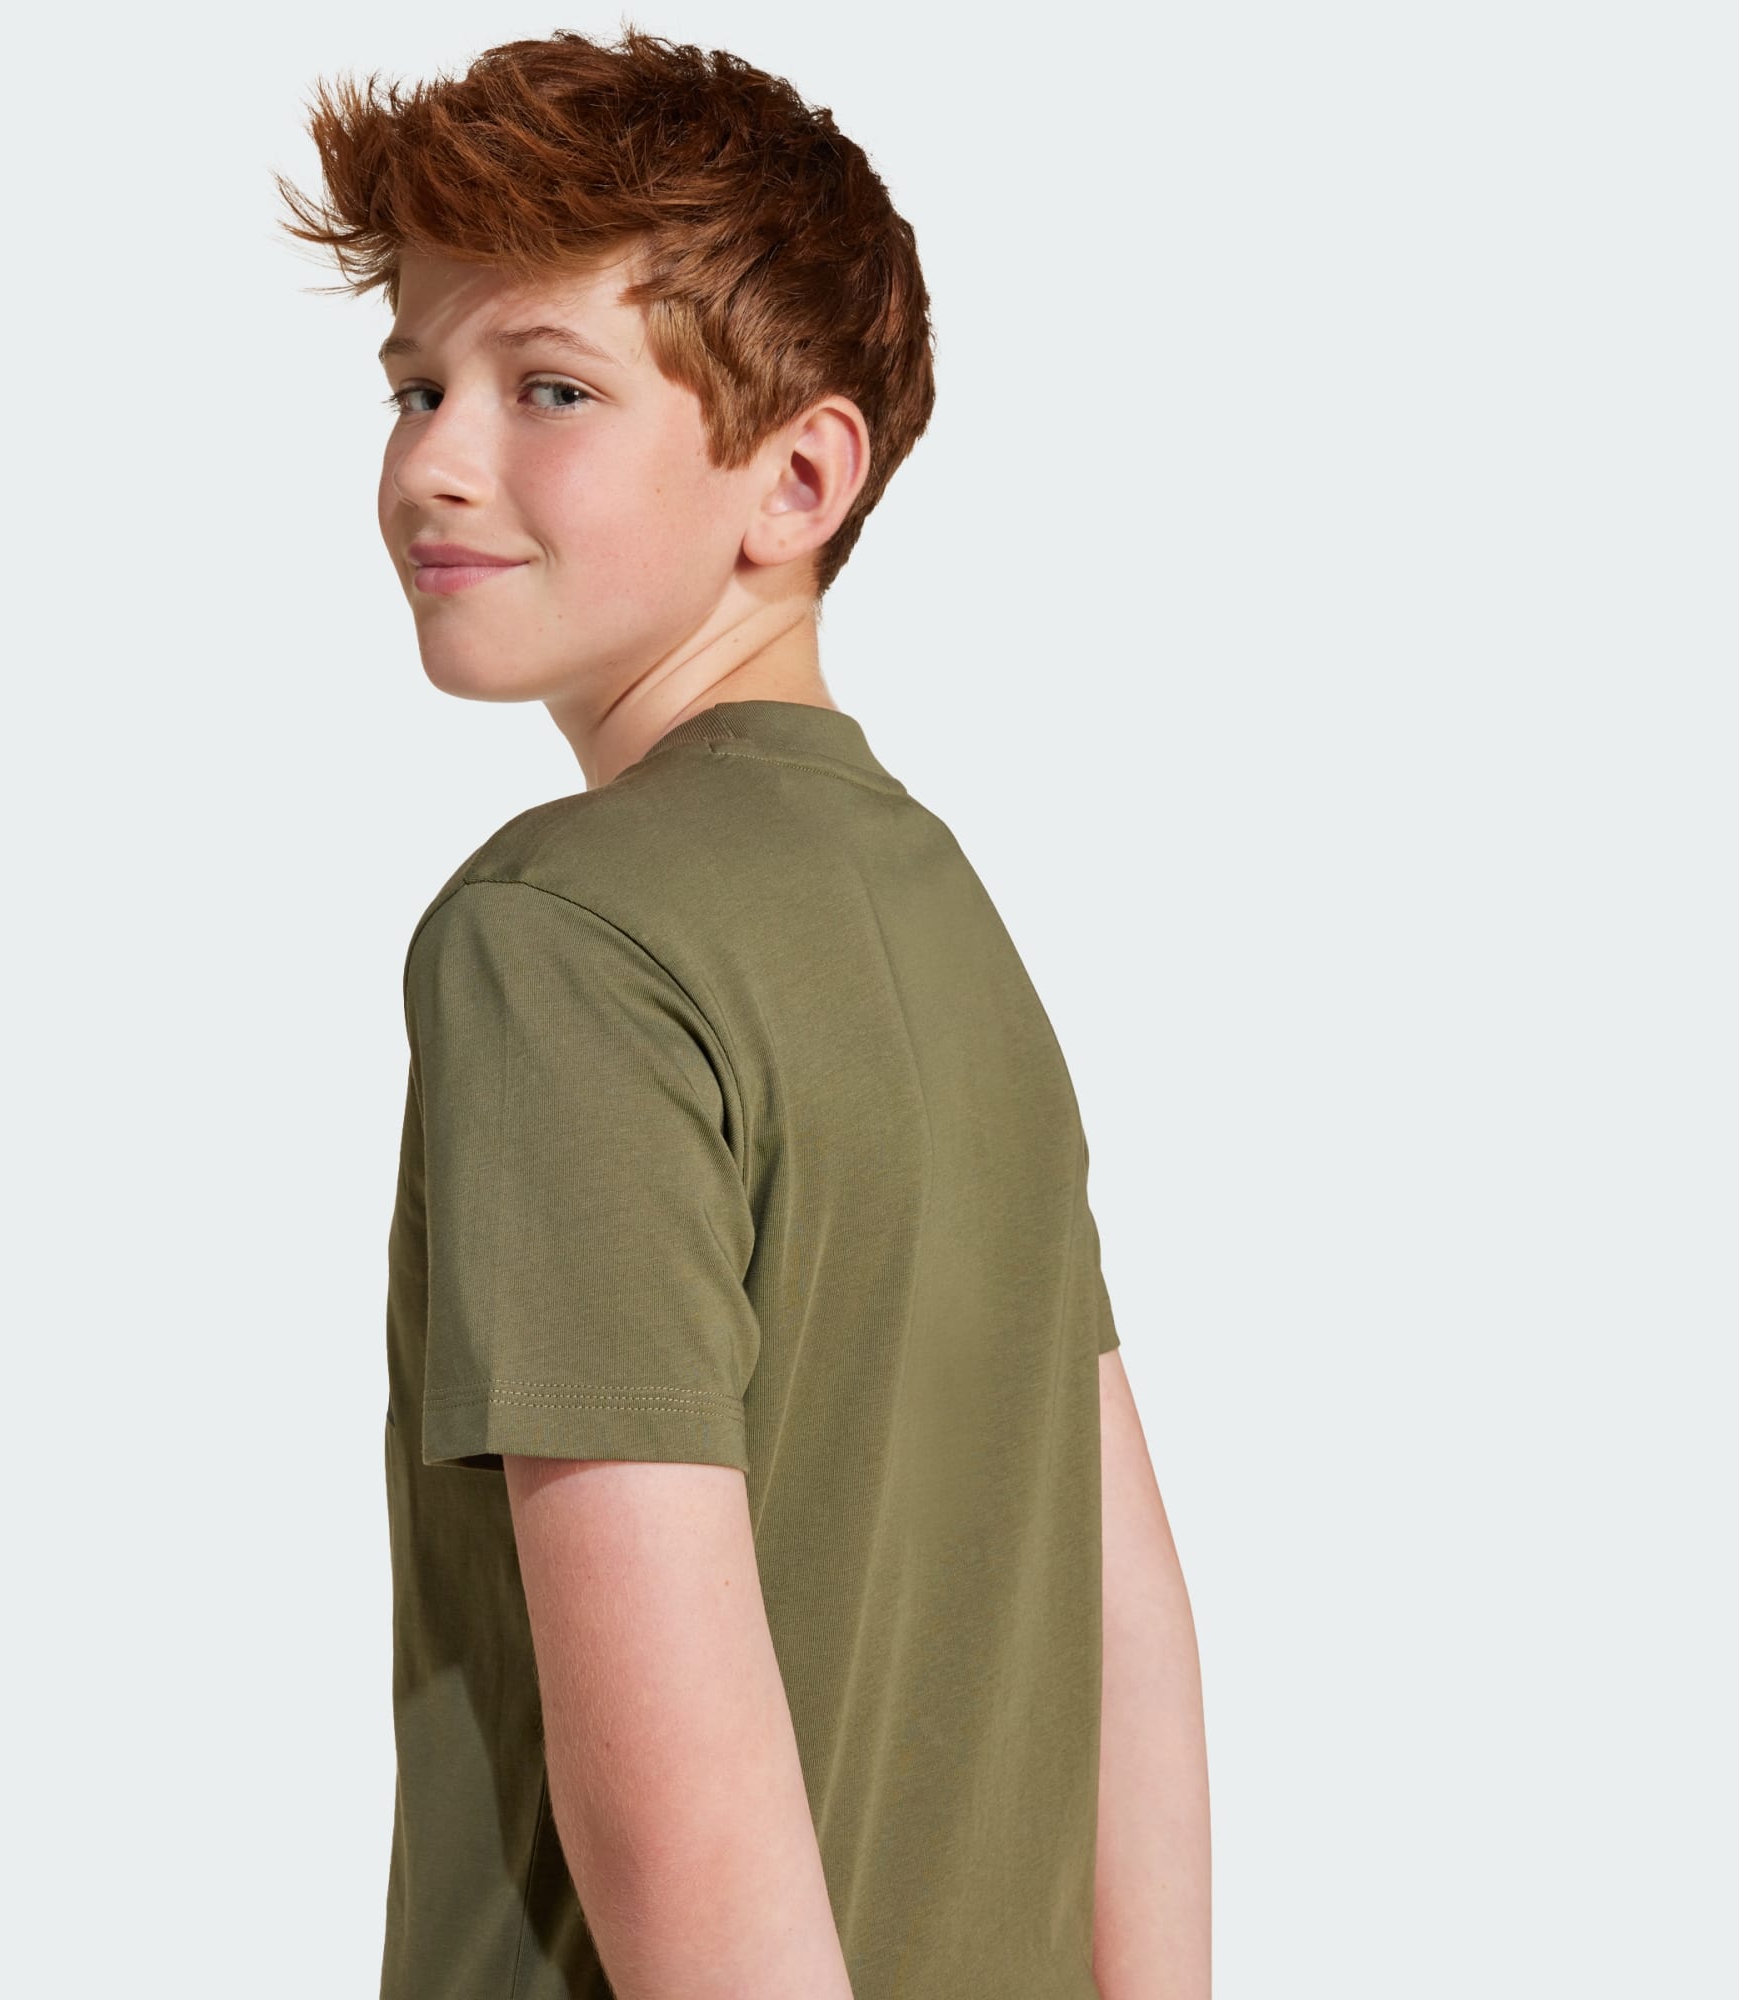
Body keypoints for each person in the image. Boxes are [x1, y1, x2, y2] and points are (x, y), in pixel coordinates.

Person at [278, 27, 1210, 1998]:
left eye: (549, 388)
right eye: (417, 383)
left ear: (796, 475)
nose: (435, 457)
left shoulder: (560, 937)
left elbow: (677, 1814)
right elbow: (1126, 1620)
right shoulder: (938, 910)